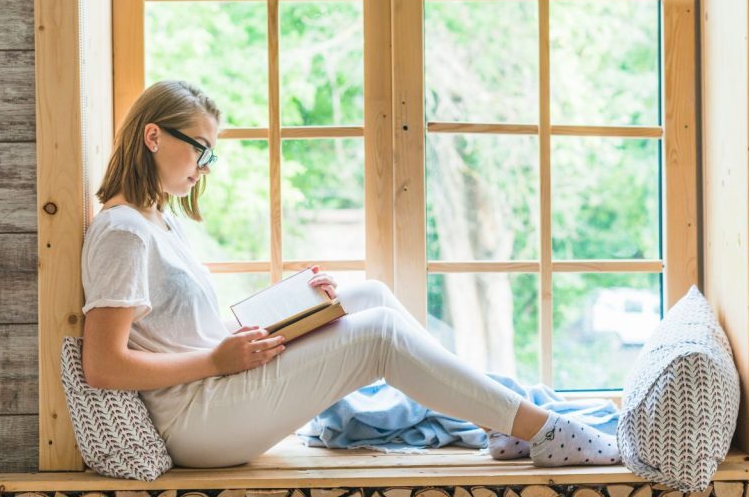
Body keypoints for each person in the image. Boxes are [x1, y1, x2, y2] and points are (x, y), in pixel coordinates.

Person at [81, 79, 621, 468]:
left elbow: (185, 330)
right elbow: (104, 365)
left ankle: (494, 420)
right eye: (200, 149)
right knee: (379, 335)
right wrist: (218, 359)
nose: (204, 167)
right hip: (196, 423)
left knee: (368, 296)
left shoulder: (160, 222)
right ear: (153, 137)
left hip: (216, 386)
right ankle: (541, 430)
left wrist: (295, 309)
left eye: (211, 156)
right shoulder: (123, 232)